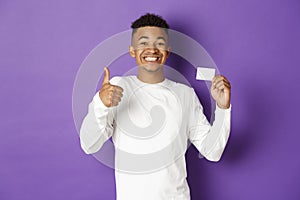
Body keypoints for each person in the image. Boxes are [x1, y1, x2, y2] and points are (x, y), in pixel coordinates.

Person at [80, 13, 231, 200]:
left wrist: (223, 108)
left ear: (167, 51)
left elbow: (213, 151)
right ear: (132, 51)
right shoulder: (117, 88)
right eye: (143, 43)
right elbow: (89, 144)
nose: (152, 49)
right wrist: (102, 105)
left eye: (159, 43)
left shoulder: (185, 94)